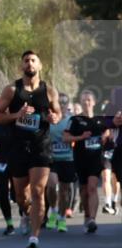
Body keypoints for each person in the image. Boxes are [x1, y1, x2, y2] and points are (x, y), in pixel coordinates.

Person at [0, 51, 62, 248]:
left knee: (38, 190)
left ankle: (34, 238)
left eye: (33, 60)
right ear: (21, 66)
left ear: (39, 65)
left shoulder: (49, 90)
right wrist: (16, 115)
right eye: (26, 61)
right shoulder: (12, 90)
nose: (29, 64)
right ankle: (28, 212)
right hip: (18, 147)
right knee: (21, 196)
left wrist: (54, 118)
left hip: (41, 146)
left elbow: (57, 113)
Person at [63, 90, 110, 233]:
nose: (86, 102)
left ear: (94, 102)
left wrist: (105, 136)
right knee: (83, 191)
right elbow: (66, 138)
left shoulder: (100, 119)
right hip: (80, 159)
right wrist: (81, 137)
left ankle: (92, 220)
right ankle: (87, 215)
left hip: (95, 159)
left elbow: (107, 130)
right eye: (83, 100)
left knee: (92, 187)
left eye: (89, 100)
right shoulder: (75, 120)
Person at [45, 93, 75, 232]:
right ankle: (53, 210)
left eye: (64, 102)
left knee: (64, 191)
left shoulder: (70, 121)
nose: (62, 105)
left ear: (67, 105)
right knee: (51, 185)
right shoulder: (49, 120)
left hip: (68, 159)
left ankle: (62, 219)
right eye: (59, 102)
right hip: (52, 159)